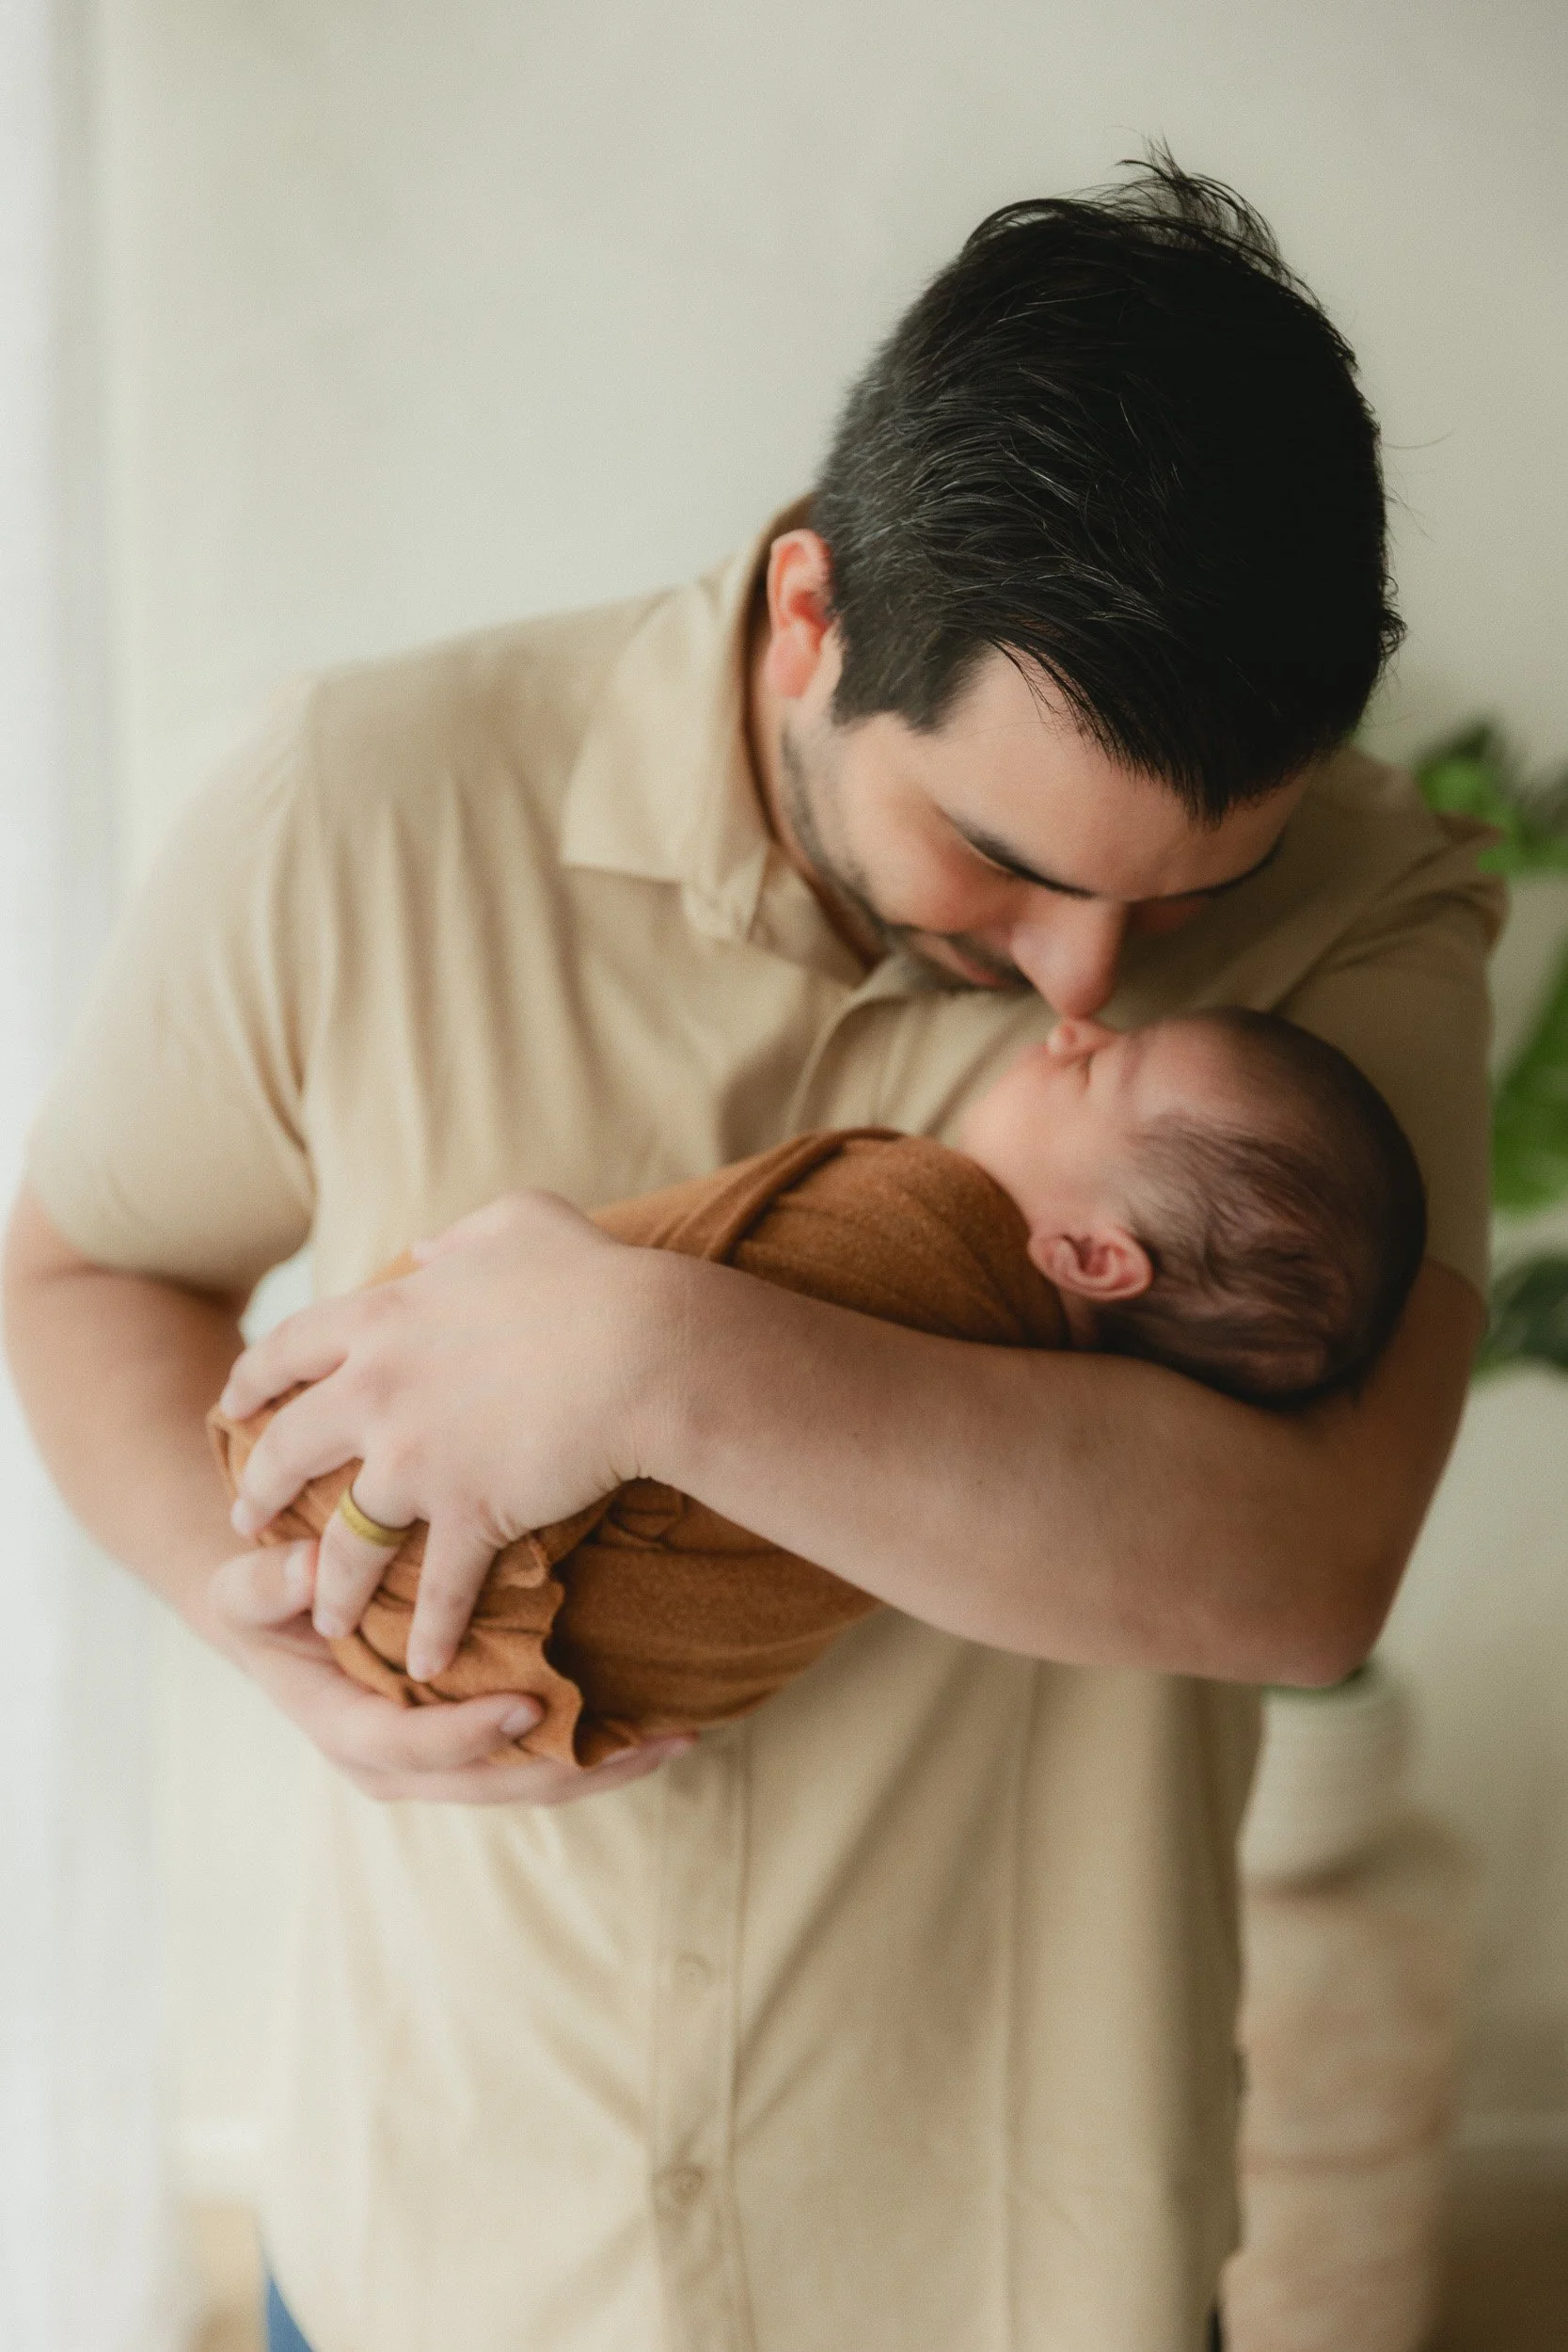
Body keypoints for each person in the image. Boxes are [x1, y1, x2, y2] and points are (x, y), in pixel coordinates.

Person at [2, 156, 1497, 2352]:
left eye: (1183, 903)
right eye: (997, 855)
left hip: (1016, 2286)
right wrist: (273, 1646)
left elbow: (1303, 1571)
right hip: (445, 2251)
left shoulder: (1367, 905)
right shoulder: (363, 802)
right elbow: (83, 1272)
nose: (1078, 978)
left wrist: (642, 1353)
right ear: (813, 614)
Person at [211, 1006, 1429, 1772]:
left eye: (1101, 1071)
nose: (1070, 1022)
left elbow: (1315, 1598)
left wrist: (608, 1317)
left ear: (1093, 1260)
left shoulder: (921, 1239)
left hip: (408, 1566)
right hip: (487, 1677)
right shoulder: (996, 1402)